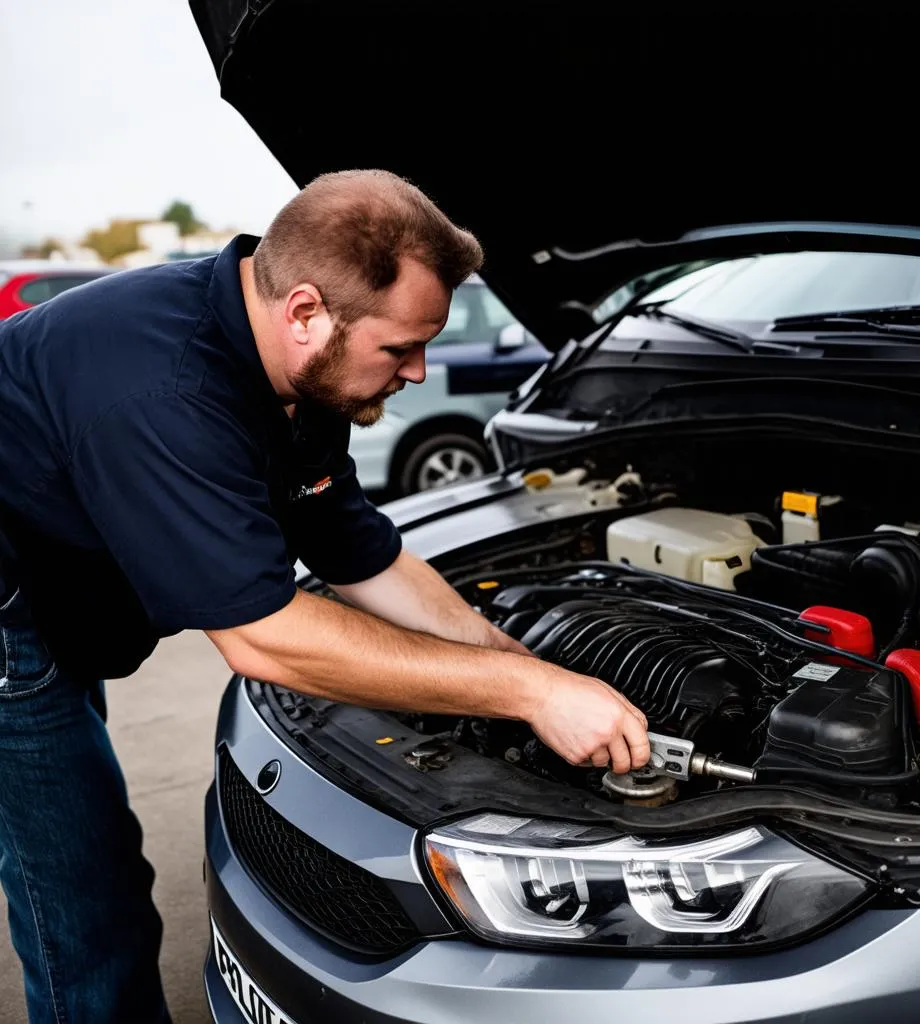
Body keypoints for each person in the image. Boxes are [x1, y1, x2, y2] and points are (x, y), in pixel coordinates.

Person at [0, 169, 650, 1022]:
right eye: (400, 347)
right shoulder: (166, 390)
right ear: (305, 310)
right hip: (11, 613)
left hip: (72, 584)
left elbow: (358, 551)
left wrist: (516, 662)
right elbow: (262, 636)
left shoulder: (303, 371)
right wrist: (530, 695)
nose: (418, 371)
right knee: (85, 895)